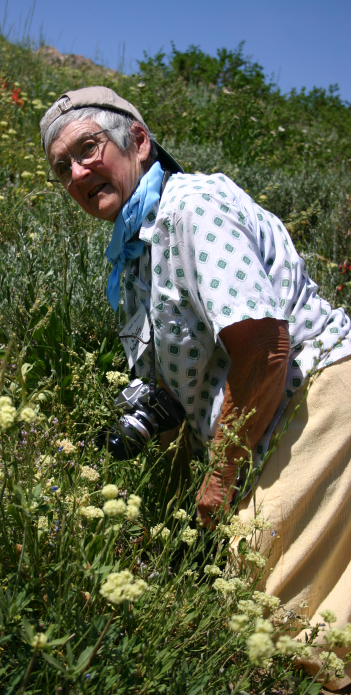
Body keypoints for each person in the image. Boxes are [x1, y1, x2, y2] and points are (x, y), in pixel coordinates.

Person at [39, 86, 351, 690]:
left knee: (279, 616)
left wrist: (220, 476)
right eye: (63, 168)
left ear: (138, 140)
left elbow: (265, 346)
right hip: (271, 418)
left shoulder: (191, 209)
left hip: (319, 395)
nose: (78, 172)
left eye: (87, 148)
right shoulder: (134, 251)